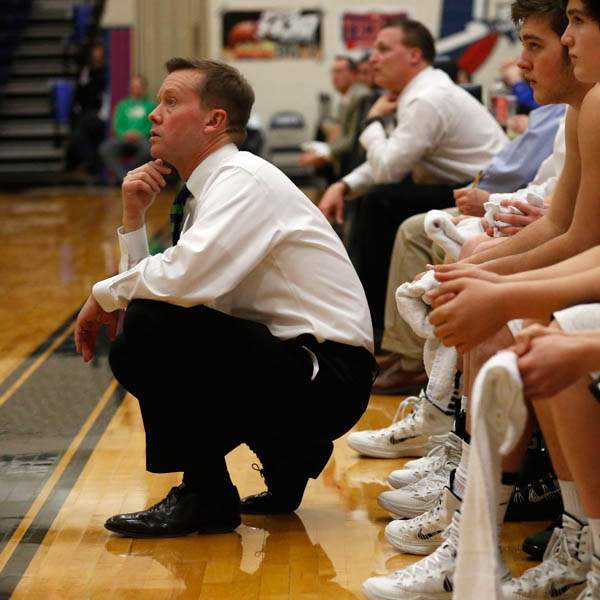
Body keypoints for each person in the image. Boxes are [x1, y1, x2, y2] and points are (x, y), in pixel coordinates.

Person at [74, 58, 376, 538]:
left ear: (215, 121)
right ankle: (287, 453)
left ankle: (206, 494)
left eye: (171, 102)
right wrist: (133, 219)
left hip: (329, 374)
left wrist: (102, 294)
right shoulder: (211, 187)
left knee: (150, 326)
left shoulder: (241, 178)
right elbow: (168, 286)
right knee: (149, 324)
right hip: (293, 361)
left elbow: (180, 281)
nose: (154, 114)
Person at [361, 0, 598, 597]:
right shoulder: (586, 110)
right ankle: (496, 514)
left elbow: (581, 240)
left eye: (575, 25)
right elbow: (572, 235)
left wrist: (504, 289)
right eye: (561, 27)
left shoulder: (594, 105)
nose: (565, 43)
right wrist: (491, 281)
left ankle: (536, 539)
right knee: (489, 287)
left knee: (533, 323)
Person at [318, 20, 508, 341]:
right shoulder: (419, 91)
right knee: (378, 198)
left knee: (381, 200)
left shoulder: (426, 98)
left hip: (483, 191)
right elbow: (392, 156)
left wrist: (373, 121)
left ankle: (373, 329)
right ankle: (373, 323)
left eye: (383, 49)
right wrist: (344, 184)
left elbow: (387, 167)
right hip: (462, 183)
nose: (372, 59)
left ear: (414, 56)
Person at [298, 56, 372, 177]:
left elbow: (354, 139)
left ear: (353, 74)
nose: (334, 76)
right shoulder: (348, 96)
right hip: (347, 154)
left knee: (318, 161)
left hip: (356, 159)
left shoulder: (361, 96)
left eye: (339, 71)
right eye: (332, 72)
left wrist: (326, 151)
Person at [99, 75, 155, 184]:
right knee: (105, 148)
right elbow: (117, 126)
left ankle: (130, 174)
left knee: (149, 150)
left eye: (138, 86)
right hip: (123, 138)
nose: (136, 89)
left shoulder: (150, 105)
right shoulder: (122, 105)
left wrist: (139, 134)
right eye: (133, 86)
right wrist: (125, 134)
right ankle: (124, 177)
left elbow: (151, 126)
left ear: (144, 88)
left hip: (142, 139)